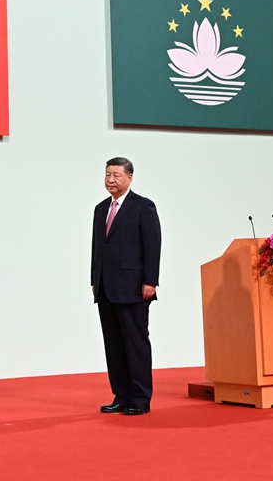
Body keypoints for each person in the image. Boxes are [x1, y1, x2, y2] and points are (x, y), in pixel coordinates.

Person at [90, 157, 161, 415]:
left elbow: (152, 246)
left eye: (116, 175)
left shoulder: (143, 207)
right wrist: (94, 280)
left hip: (133, 288)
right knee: (114, 344)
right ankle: (121, 395)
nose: (111, 180)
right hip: (106, 288)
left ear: (129, 178)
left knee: (136, 345)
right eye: (108, 175)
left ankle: (140, 399)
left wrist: (150, 281)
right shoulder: (100, 209)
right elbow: (97, 247)